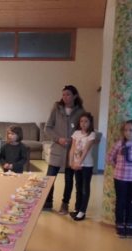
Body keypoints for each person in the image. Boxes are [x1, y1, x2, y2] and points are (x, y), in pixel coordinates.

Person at [43, 85, 85, 213]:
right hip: (57, 149)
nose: (65, 97)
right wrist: (58, 139)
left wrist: (74, 140)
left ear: (75, 96)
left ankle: (65, 204)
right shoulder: (56, 108)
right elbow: (47, 128)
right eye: (63, 95)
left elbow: (83, 130)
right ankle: (47, 202)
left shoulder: (80, 111)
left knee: (68, 179)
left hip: (72, 151)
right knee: (50, 177)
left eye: (68, 94)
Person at [107, 119, 132, 238]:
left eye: (131, 130)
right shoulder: (119, 144)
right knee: (121, 201)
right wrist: (117, 166)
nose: (127, 133)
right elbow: (110, 157)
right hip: (120, 178)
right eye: (125, 130)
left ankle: (129, 224)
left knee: (131, 201)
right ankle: (119, 224)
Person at [68, 112, 97, 221]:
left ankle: (82, 211)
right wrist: (71, 162)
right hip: (76, 165)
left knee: (85, 188)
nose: (83, 123)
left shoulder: (92, 134)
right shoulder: (76, 133)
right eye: (81, 121)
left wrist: (78, 163)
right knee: (78, 187)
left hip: (86, 165)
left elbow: (86, 150)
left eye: (86, 121)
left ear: (90, 123)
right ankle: (77, 208)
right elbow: (72, 148)